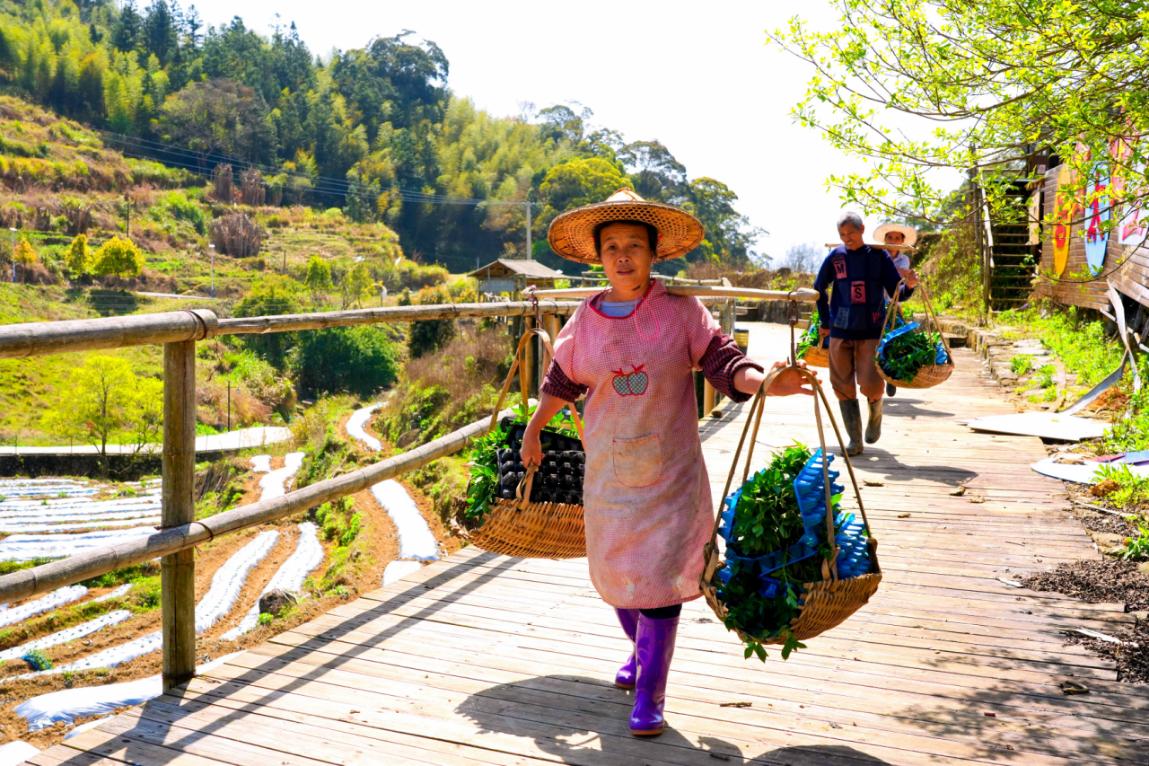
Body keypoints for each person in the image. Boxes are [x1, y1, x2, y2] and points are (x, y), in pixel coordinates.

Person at [521, 188, 812, 738]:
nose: (623, 255)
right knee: (615, 576)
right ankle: (639, 653)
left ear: (655, 254)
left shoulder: (682, 313)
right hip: (607, 471)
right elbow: (562, 380)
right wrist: (536, 427)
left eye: (634, 244)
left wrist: (767, 382)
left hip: (670, 473)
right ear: (598, 256)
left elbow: (724, 362)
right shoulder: (584, 320)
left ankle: (651, 694)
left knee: (658, 579)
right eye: (612, 247)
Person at [814, 212, 918, 456]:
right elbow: (819, 288)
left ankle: (876, 410)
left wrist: (909, 286)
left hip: (871, 329)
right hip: (840, 329)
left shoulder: (878, 257)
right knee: (841, 385)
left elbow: (896, 293)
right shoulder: (835, 257)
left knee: (871, 383)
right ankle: (854, 440)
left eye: (851, 233)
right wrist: (825, 321)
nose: (847, 238)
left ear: (862, 229)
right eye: (842, 235)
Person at [873, 222, 920, 397]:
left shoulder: (904, 259)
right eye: (890, 238)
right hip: (875, 305)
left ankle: (889, 378)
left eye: (897, 238)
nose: (893, 241)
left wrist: (908, 281)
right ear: (885, 240)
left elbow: (902, 285)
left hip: (893, 305)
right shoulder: (876, 255)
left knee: (894, 341)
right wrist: (898, 271)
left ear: (902, 241)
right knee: (875, 342)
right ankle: (877, 377)